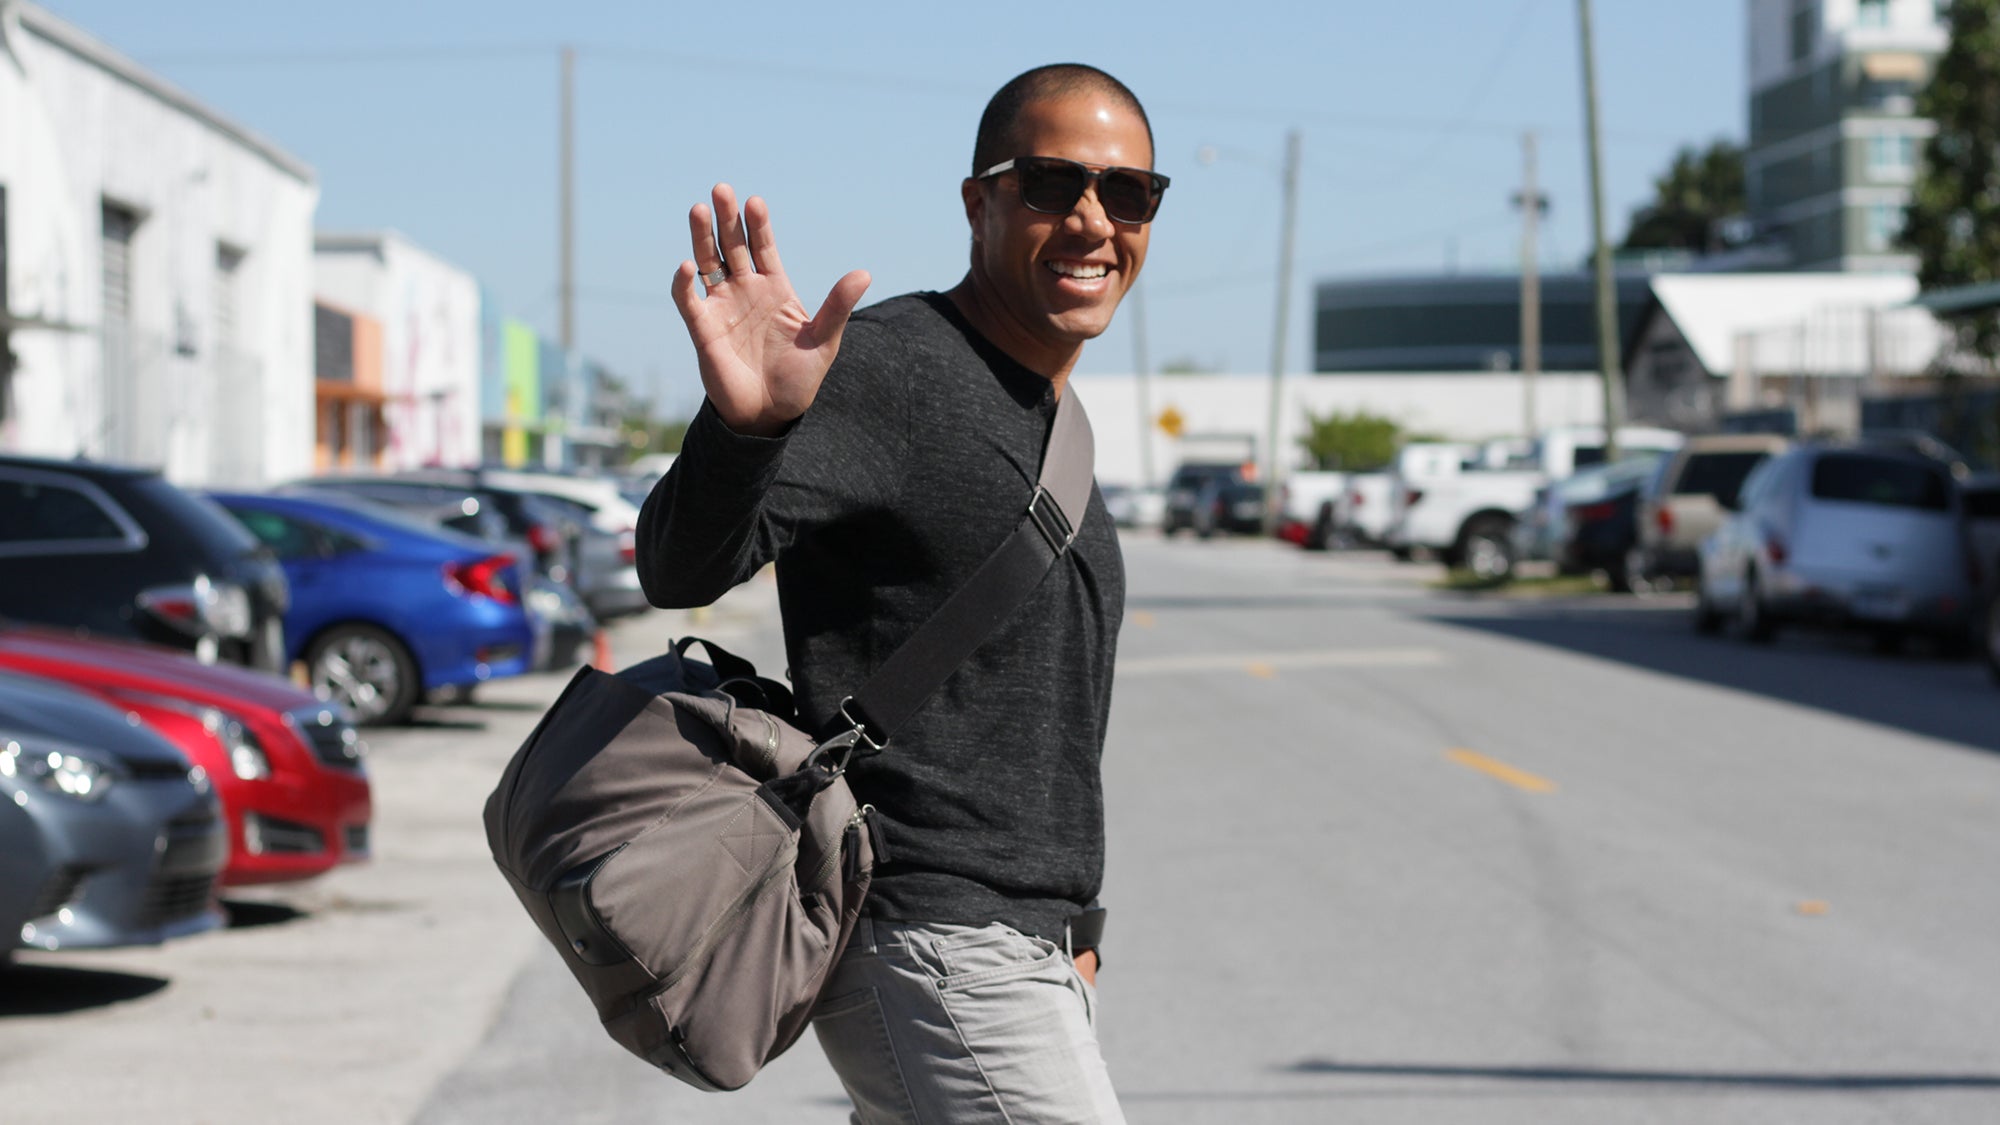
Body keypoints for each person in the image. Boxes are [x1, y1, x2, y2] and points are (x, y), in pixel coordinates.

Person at [637, 62, 1167, 1123]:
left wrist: (1076, 923)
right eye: (1054, 183)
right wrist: (749, 428)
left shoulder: (1042, 410)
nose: (1092, 220)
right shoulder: (894, 372)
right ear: (979, 202)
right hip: (930, 931)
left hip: (1020, 944)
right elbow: (679, 568)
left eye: (1127, 194)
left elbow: (1034, 725)